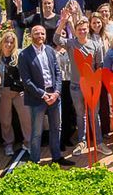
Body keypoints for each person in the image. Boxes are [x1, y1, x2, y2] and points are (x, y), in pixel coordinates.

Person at [18, 25, 74, 166]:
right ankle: (35, 161)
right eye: (36, 33)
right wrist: (43, 95)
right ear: (31, 35)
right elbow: (27, 81)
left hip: (54, 95)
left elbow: (58, 73)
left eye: (42, 33)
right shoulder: (24, 55)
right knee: (37, 132)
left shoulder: (50, 50)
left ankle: (56, 157)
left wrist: (56, 93)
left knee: (57, 128)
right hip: (37, 98)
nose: (40, 36)